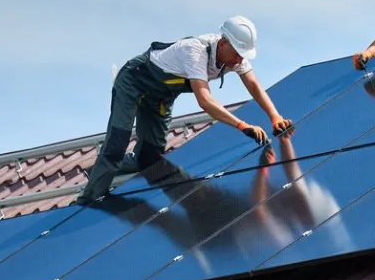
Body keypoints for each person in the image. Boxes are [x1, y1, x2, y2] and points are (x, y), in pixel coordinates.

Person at [76, 15, 293, 205]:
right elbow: (205, 100)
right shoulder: (196, 51)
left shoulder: (235, 59)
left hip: (160, 96)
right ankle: (89, 199)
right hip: (134, 82)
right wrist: (242, 125)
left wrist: (275, 117)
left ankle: (97, 169)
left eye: (243, 55)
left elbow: (253, 85)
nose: (239, 60)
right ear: (224, 42)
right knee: (117, 143)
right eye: (237, 53)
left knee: (150, 158)